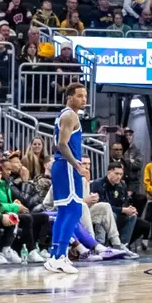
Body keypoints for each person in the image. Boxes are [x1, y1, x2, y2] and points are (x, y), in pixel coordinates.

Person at [43, 83, 90, 274]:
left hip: (62, 166)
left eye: (85, 96)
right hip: (67, 166)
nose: (84, 99)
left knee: (64, 212)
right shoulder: (70, 115)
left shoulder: (65, 115)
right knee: (74, 211)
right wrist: (77, 165)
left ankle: (55, 255)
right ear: (69, 97)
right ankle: (60, 255)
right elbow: (62, 144)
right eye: (79, 96)